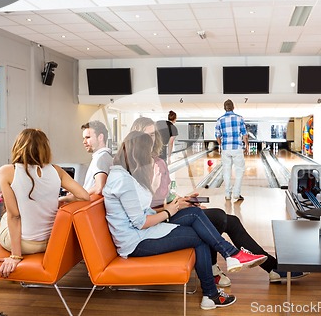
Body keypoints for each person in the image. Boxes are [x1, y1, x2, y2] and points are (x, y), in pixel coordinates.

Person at [130, 117, 307, 286]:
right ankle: (220, 268)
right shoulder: (135, 166)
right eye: (146, 135)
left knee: (231, 220)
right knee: (218, 217)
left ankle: (271, 268)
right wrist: (171, 206)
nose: (150, 139)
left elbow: (165, 196)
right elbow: (144, 207)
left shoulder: (159, 162)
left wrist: (184, 201)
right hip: (157, 221)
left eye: (153, 135)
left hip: (170, 212)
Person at [102, 130, 267, 310]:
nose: (150, 158)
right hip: (136, 242)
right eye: (148, 153)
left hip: (144, 232)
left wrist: (176, 205)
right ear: (138, 153)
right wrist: (168, 212)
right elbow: (140, 222)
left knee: (194, 214)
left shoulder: (127, 176)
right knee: (200, 238)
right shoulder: (121, 180)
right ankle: (219, 281)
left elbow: (143, 213)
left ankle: (229, 260)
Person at [0, 129, 89, 288]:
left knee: (6, 215)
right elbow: (84, 196)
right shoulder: (56, 170)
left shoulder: (7, 171)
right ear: (45, 149)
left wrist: (15, 256)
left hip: (25, 244)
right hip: (49, 242)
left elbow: (14, 216)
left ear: (18, 147)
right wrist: (63, 199)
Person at [59, 121, 112, 203]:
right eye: (84, 138)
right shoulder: (104, 157)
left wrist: (77, 195)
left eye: (88, 137)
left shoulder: (101, 158)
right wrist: (77, 192)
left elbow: (99, 188)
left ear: (100, 137)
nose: (84, 142)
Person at [215, 99, 248, 202]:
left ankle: (227, 194)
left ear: (224, 108)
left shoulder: (220, 119)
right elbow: (244, 134)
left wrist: (222, 145)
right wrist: (246, 146)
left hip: (226, 149)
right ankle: (237, 194)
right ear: (233, 107)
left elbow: (217, 136)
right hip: (237, 148)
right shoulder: (239, 118)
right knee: (239, 170)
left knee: (226, 171)